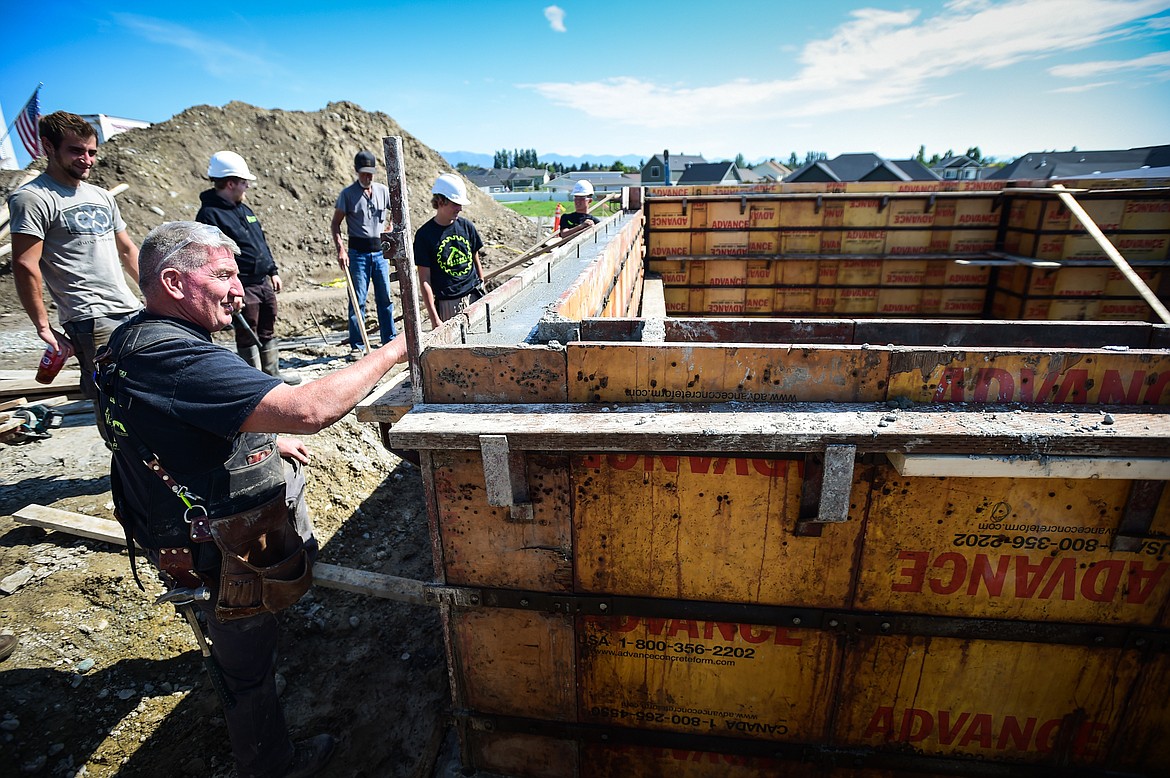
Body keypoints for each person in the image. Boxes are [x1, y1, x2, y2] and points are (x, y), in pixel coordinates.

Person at [94, 221, 408, 778]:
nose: (239, 289)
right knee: (245, 670)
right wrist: (395, 350)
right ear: (172, 281)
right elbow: (310, 409)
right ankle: (272, 763)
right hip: (210, 547)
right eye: (222, 276)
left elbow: (162, 424)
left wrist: (260, 432)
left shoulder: (129, 339)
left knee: (242, 636)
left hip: (174, 528)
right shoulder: (181, 359)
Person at [7, 111, 142, 399]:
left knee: (139, 387)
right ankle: (117, 444)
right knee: (111, 394)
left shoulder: (102, 196)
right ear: (48, 147)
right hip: (89, 316)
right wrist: (43, 327)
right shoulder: (33, 198)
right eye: (76, 151)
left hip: (128, 308)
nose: (87, 159)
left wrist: (151, 292)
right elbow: (25, 264)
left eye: (92, 151)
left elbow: (128, 249)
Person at [195, 150, 299, 384]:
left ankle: (272, 375)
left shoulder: (244, 210)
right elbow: (212, 259)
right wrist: (231, 290)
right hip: (243, 285)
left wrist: (272, 270)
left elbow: (259, 242)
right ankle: (255, 382)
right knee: (247, 333)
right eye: (244, 183)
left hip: (262, 282)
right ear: (230, 183)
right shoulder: (209, 215)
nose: (247, 187)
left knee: (266, 328)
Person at [330, 150, 396, 358]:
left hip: (379, 254)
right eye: (364, 173)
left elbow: (396, 209)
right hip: (357, 254)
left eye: (371, 173)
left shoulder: (383, 191)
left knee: (385, 298)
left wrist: (390, 226)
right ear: (357, 171)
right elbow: (335, 224)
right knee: (357, 300)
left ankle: (389, 341)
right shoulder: (348, 195)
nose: (368, 177)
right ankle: (357, 345)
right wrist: (341, 248)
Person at [413, 173, 485, 325]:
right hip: (448, 305)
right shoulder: (425, 236)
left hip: (474, 296)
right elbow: (424, 280)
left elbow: (475, 259)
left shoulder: (466, 227)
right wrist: (434, 319)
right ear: (440, 201)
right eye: (455, 204)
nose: (459, 208)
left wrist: (482, 285)